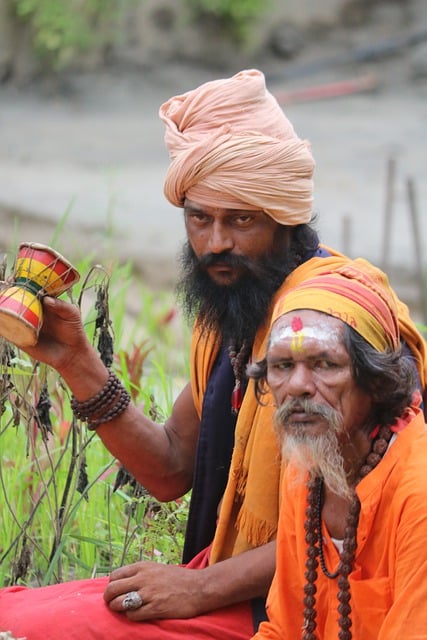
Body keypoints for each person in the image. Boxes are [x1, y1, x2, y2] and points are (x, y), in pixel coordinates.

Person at [0, 69, 426, 639]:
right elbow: (172, 466)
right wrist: (77, 362)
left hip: (307, 600)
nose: (216, 242)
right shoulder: (232, 309)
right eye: (200, 219)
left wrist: (200, 589)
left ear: (285, 217)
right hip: (226, 583)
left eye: (240, 220)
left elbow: (354, 522)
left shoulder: (326, 319)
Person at [248, 256, 427, 639]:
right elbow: (283, 627)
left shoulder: (419, 493)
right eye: (281, 366)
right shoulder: (306, 466)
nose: (297, 386)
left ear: (377, 380)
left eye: (325, 364)